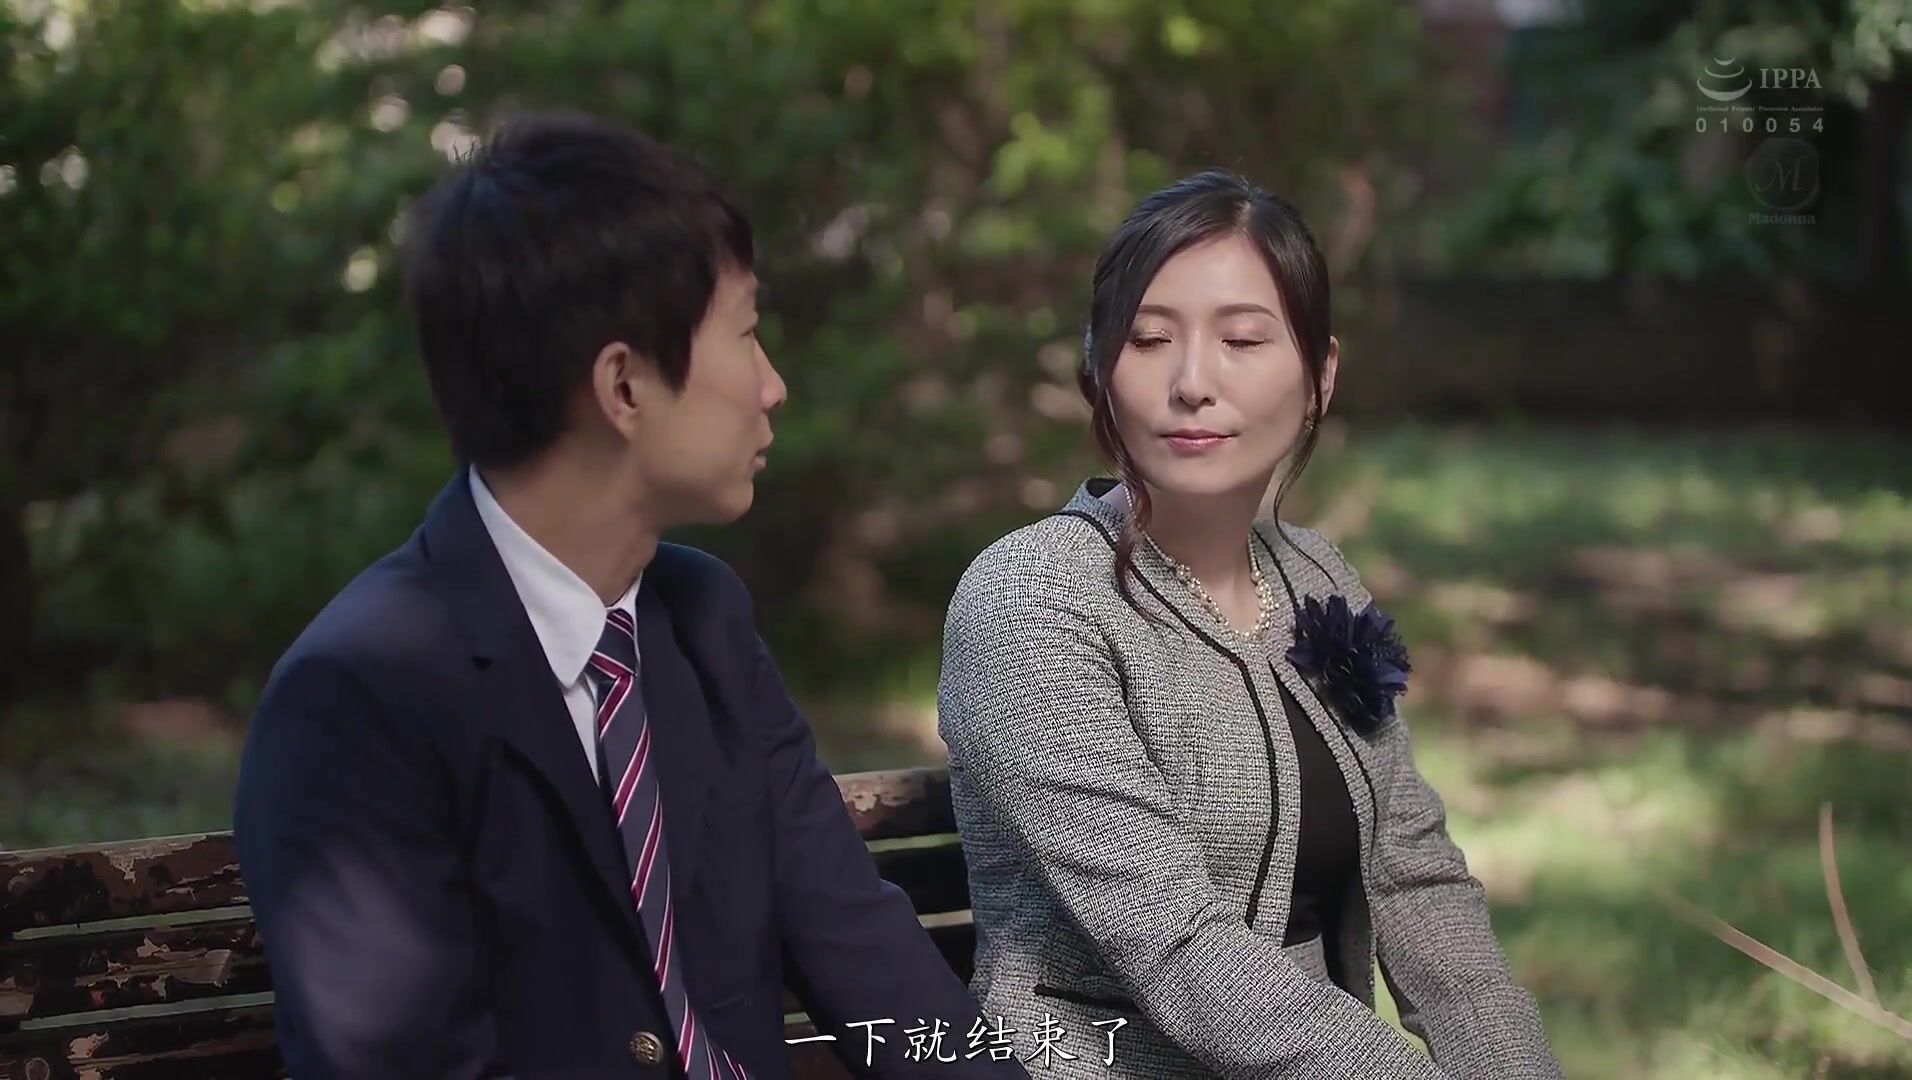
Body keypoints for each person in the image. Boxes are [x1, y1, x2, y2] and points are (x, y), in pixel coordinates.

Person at [234, 111, 1025, 1080]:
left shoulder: (701, 621)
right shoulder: (362, 698)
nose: (772, 386)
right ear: (624, 386)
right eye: (747, 334)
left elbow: (871, 966)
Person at [936, 171, 1561, 1079]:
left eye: (1241, 339)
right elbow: (1176, 945)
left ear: (1319, 376)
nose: (1192, 383)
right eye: (1149, 339)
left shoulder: (1316, 577)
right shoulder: (1033, 599)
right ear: (1099, 371)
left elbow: (1417, 880)